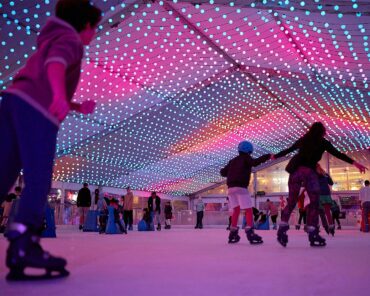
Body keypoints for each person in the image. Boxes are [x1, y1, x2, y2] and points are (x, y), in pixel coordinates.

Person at [0, 0, 102, 280]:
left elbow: (42, 74)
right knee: (39, 178)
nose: (94, 34)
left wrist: (76, 106)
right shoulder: (69, 40)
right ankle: (23, 244)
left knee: (4, 173)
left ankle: (22, 244)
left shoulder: (49, 39)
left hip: (12, 101)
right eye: (94, 27)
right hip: (37, 110)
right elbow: (56, 64)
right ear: (85, 25)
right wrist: (58, 96)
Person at [273, 122, 367, 247]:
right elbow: (338, 154)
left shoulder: (304, 139)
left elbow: (289, 149)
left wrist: (275, 156)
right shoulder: (323, 142)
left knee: (292, 201)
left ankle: (282, 229)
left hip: (296, 172)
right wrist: (355, 163)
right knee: (315, 201)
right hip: (309, 172)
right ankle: (312, 231)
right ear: (322, 132)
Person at [220, 141, 270, 244]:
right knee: (248, 210)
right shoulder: (246, 158)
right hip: (241, 187)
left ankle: (232, 233)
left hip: (230, 189)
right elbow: (254, 163)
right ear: (249, 151)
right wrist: (267, 156)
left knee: (236, 210)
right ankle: (250, 232)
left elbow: (223, 172)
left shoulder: (233, 160)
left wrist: (231, 171)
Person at [317, 164, 335, 236]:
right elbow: (331, 183)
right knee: (327, 212)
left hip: (319, 195)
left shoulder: (314, 175)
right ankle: (331, 227)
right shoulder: (325, 174)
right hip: (327, 195)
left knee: (317, 212)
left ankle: (317, 227)